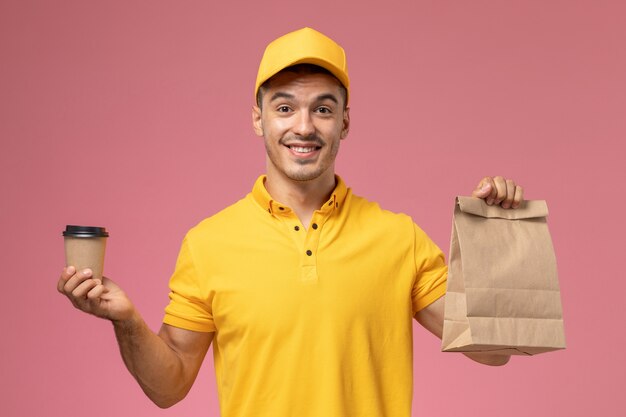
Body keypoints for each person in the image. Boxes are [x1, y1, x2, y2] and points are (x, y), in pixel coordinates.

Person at [57, 27, 524, 416]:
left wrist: (497, 242)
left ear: (344, 123)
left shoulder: (399, 238)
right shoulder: (208, 244)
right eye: (284, 108)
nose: (304, 126)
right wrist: (126, 321)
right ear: (258, 119)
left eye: (323, 108)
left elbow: (492, 350)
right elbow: (169, 386)